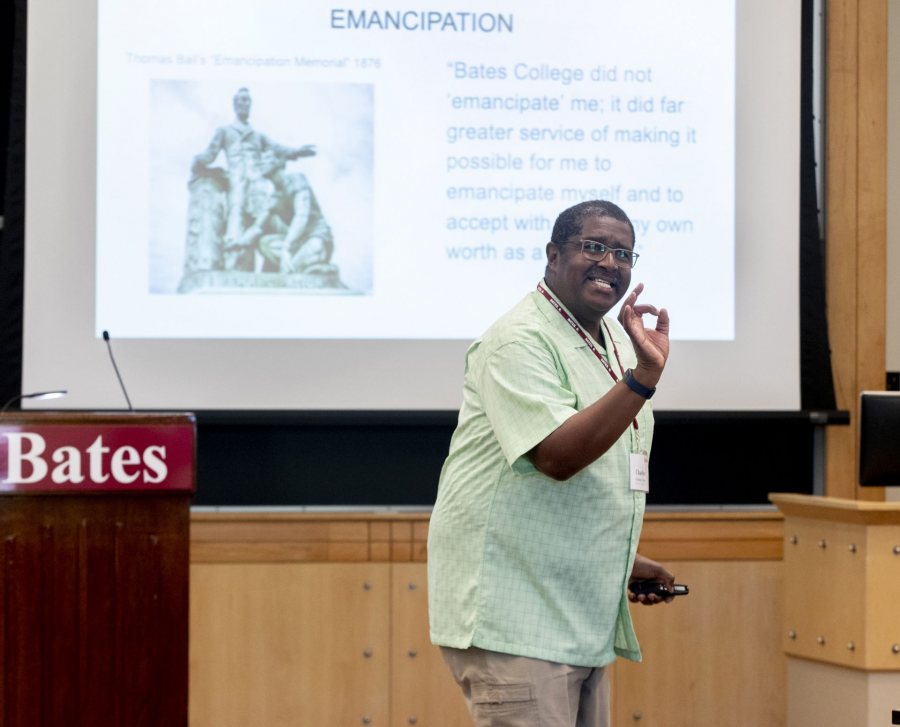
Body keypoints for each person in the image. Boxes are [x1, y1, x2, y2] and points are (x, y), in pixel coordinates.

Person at [427, 200, 676, 727]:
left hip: (573, 617)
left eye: (624, 253)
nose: (610, 262)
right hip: (515, 616)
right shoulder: (519, 340)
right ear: (553, 254)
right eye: (594, 247)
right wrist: (641, 380)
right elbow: (556, 456)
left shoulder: (605, 337)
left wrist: (619, 560)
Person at [191, 87, 317, 254]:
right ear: (235, 104)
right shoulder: (224, 131)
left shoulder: (258, 136)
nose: (245, 103)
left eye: (247, 100)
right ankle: (233, 250)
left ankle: (283, 252)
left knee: (266, 221)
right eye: (241, 100)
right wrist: (197, 162)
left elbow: (278, 148)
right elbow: (209, 154)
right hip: (237, 182)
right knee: (236, 214)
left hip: (259, 184)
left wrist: (297, 151)